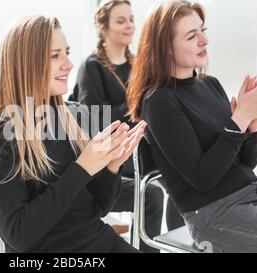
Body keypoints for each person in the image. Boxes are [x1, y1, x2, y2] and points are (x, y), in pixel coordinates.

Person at [0, 15, 147, 253]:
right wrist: (82, 168)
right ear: (25, 62)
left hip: (99, 242)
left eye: (67, 52)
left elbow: (98, 208)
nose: (68, 64)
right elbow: (19, 236)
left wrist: (111, 168)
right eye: (55, 55)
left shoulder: (71, 118)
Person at [127, 0, 257, 253]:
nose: (204, 40)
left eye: (203, 30)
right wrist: (239, 119)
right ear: (165, 47)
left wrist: (253, 124)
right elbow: (203, 179)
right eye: (191, 35)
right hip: (214, 214)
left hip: (255, 189)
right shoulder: (159, 101)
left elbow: (247, 163)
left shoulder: (211, 84)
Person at [73, 0, 184, 251]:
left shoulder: (139, 64)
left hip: (141, 151)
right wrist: (138, 111)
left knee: (183, 179)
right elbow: (94, 119)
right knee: (152, 193)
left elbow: (155, 104)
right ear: (104, 28)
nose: (129, 25)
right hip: (113, 158)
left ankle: (177, 245)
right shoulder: (92, 67)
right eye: (120, 21)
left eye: (131, 19)